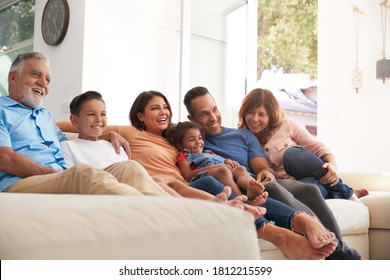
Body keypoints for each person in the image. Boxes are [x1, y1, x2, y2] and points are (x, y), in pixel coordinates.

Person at [126, 90, 337, 260]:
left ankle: (305, 220)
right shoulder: (139, 134)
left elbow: (260, 166)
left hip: (230, 181)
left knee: (302, 186)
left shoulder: (175, 134)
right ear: (140, 115)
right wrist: (111, 136)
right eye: (155, 108)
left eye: (165, 108)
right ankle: (284, 230)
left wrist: (261, 173)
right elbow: (97, 127)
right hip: (187, 184)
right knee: (213, 179)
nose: (163, 113)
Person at [184, 85, 363, 260]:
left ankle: (341, 247)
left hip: (255, 182)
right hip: (237, 189)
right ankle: (339, 253)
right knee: (273, 188)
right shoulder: (192, 142)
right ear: (192, 118)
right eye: (204, 114)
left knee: (309, 190)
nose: (213, 117)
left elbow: (261, 166)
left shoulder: (243, 135)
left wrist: (265, 172)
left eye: (214, 109)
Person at [0, 51, 172, 197]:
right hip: (20, 183)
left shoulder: (44, 117)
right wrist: (58, 174)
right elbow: (5, 158)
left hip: (60, 177)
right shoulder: (2, 110)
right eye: (35, 74)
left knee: (129, 167)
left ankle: (173, 215)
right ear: (13, 77)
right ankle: (152, 212)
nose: (43, 83)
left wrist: (106, 135)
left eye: (48, 79)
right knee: (84, 173)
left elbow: (75, 138)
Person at [237, 88, 369, 203]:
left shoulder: (286, 125)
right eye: (250, 112)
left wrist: (332, 164)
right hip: (294, 185)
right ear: (244, 112)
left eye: (261, 114)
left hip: (307, 172)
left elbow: (318, 147)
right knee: (304, 190)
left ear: (271, 115)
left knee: (292, 154)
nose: (254, 119)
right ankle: (338, 192)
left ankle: (345, 192)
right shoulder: (240, 138)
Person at [167, 121, 265, 205]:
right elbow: (188, 175)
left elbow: (220, 159)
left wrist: (227, 161)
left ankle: (251, 187)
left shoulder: (208, 152)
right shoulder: (184, 156)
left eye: (200, 138)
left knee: (240, 169)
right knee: (223, 171)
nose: (198, 142)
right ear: (180, 144)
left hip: (223, 169)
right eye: (192, 140)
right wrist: (218, 166)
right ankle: (241, 200)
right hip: (205, 175)